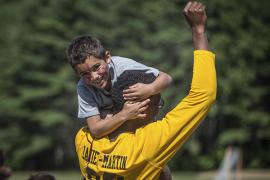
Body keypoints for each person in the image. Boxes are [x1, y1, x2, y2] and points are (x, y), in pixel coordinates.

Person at [75, 1, 217, 179]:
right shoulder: (147, 147)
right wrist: (198, 30)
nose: (158, 110)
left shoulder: (83, 139)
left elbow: (98, 128)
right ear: (141, 109)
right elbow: (204, 94)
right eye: (157, 103)